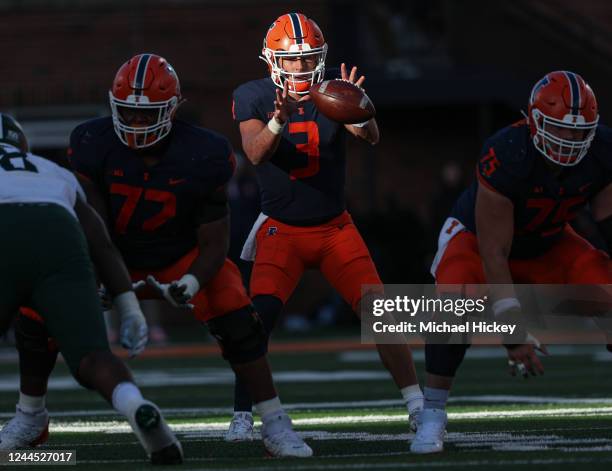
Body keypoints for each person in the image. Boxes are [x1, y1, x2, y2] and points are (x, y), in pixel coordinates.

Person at [4, 54, 311, 458]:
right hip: (114, 255)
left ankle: (274, 422)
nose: (135, 124)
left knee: (238, 316)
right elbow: (94, 228)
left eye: (145, 115)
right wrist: (98, 277)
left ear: (172, 109)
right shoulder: (91, 142)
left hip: (180, 257)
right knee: (34, 313)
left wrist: (193, 281)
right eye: (128, 114)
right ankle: (30, 417)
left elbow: (216, 241)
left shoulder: (205, 152)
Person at [228, 12, 423, 442]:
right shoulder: (254, 96)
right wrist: (279, 119)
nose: (300, 67)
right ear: (272, 60)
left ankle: (418, 406)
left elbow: (369, 135)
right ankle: (243, 413)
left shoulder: (333, 85)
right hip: (281, 230)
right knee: (257, 322)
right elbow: (256, 153)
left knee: (381, 314)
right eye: (292, 60)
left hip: (335, 228)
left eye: (308, 58)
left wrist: (359, 105)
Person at [411, 71, 612, 454]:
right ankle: (432, 413)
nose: (570, 140)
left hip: (549, 242)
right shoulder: (507, 153)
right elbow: (494, 252)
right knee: (454, 303)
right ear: (535, 121)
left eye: (579, 130)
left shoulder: (603, 150)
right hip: (477, 241)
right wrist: (511, 329)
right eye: (559, 128)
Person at [0, 113, 182, 464]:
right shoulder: (49, 169)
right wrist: (129, 307)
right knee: (93, 357)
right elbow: (101, 242)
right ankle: (136, 405)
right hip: (58, 231)